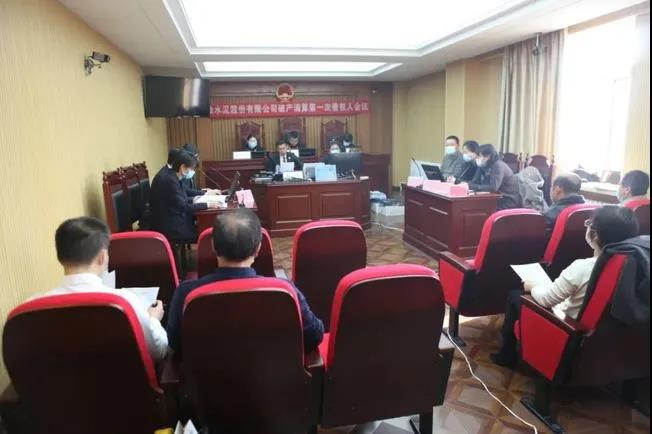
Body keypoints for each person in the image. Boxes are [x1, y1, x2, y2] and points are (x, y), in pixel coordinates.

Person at [490, 206, 640, 368]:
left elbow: (546, 300)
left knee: (515, 295)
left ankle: (507, 355)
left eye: (589, 224)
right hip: (605, 335)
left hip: (566, 327)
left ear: (595, 234)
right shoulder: (636, 263)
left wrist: (533, 286)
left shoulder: (583, 267)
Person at [166, 209, 324, 355]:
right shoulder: (285, 291)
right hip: (272, 375)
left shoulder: (185, 293)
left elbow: (175, 343)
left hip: (206, 377)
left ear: (213, 246)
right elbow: (314, 335)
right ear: (258, 248)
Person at [31, 217, 168, 362]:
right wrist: (153, 320)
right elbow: (158, 352)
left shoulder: (32, 309)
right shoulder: (125, 302)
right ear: (102, 257)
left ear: (60, 257)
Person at [150, 150, 220, 243]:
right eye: (191, 168)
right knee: (206, 234)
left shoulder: (172, 176)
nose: (192, 171)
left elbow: (179, 199)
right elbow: (184, 207)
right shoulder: (170, 180)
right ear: (182, 167)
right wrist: (207, 205)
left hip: (173, 219)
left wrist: (194, 199)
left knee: (205, 227)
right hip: (171, 227)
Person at [469, 144, 522, 210]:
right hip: (494, 198)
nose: (477, 158)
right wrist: (465, 185)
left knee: (475, 209)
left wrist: (473, 186)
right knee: (470, 205)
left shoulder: (498, 165)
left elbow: (493, 188)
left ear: (488, 156)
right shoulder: (483, 165)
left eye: (479, 156)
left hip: (506, 201)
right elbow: (474, 182)